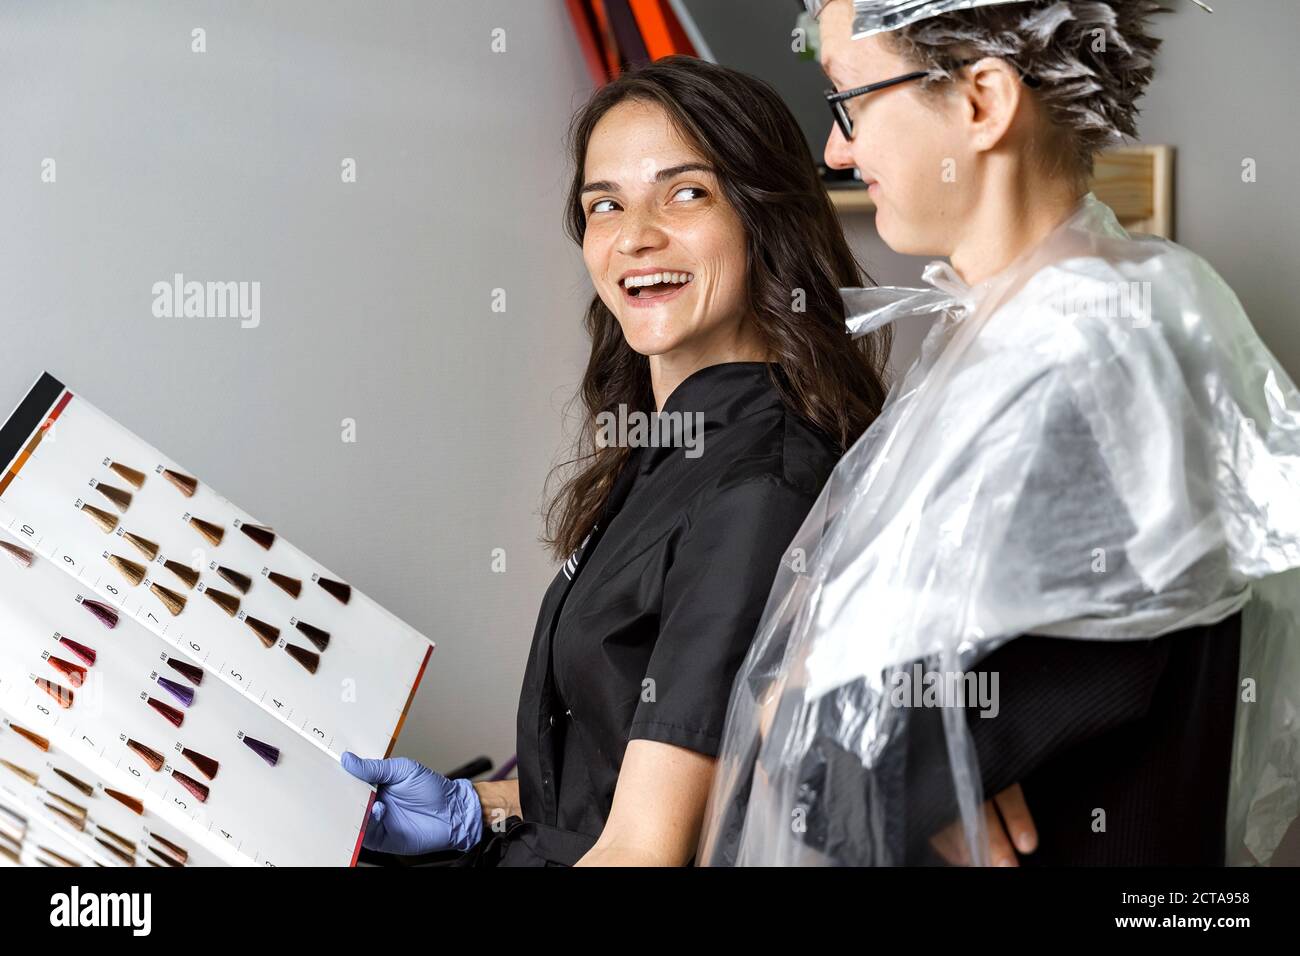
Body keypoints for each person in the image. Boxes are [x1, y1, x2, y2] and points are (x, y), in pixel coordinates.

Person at [698, 0, 1300, 866]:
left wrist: (809, 710)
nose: (835, 150)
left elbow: (844, 760)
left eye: (849, 103)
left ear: (982, 100)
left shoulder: (1090, 340)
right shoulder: (1016, 325)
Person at [339, 56, 894, 866]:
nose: (636, 236)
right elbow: (627, 771)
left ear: (763, 216)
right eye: (606, 205)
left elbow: (645, 852)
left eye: (686, 193)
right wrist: (478, 806)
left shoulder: (757, 488)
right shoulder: (671, 448)